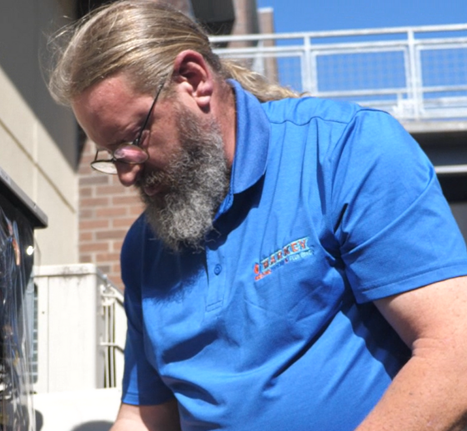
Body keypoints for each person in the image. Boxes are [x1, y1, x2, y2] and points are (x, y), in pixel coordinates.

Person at [48, 1, 467, 430]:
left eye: (132, 140)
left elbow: (454, 350)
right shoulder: (144, 247)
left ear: (193, 81)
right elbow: (146, 416)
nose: (126, 173)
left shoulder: (345, 151)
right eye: (111, 156)